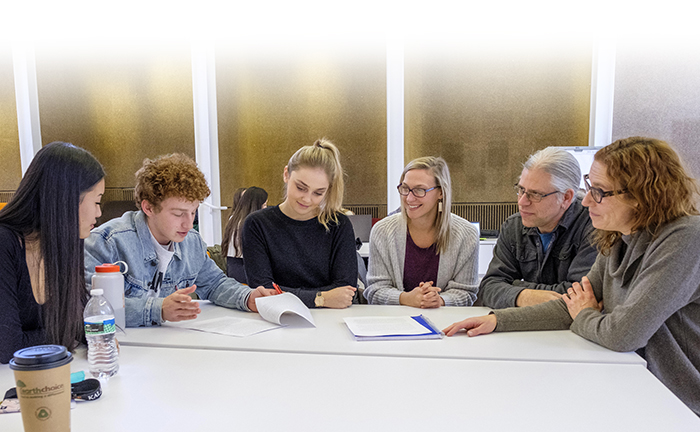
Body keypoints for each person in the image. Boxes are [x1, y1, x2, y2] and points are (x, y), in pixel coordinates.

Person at [444, 137, 700, 416]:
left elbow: (623, 334)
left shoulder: (685, 238)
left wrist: (584, 314)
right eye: (590, 187)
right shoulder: (618, 236)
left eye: (599, 191)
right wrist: (497, 321)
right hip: (629, 385)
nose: (586, 199)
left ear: (640, 196)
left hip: (676, 402)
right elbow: (572, 303)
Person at [84, 153, 275, 327]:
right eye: (178, 214)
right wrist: (158, 309)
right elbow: (88, 308)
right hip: (121, 352)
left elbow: (215, 284)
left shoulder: (191, 242)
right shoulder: (106, 243)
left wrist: (248, 297)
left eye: (193, 213)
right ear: (148, 207)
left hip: (171, 347)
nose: (188, 225)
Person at [0, 142, 105, 363]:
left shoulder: (62, 245)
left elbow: (79, 322)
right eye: (96, 201)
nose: (99, 212)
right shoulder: (5, 244)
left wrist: (86, 334)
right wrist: (68, 333)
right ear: (66, 200)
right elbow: (8, 347)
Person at [242, 139, 358, 308]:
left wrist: (285, 293)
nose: (307, 199)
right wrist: (322, 298)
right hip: (276, 320)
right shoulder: (257, 224)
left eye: (318, 193)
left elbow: (345, 293)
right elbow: (264, 292)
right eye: (301, 187)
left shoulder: (338, 224)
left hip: (330, 321)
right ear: (286, 174)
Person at [478, 147, 597, 309]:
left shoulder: (593, 227)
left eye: (535, 194)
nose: (522, 202)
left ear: (566, 197)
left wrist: (515, 287)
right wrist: (523, 296)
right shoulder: (514, 226)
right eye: (521, 190)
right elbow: (488, 288)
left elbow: (582, 296)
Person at [364, 156, 479, 307]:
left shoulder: (466, 234)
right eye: (405, 188)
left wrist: (439, 300)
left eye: (420, 190)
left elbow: (467, 293)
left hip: (447, 323)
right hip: (394, 323)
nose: (409, 198)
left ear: (441, 193)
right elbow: (374, 291)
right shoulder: (382, 231)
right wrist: (406, 298)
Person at [222, 186, 268, 284]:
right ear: (256, 205)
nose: (266, 208)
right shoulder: (251, 223)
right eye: (264, 205)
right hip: (246, 270)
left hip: (232, 267)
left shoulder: (233, 218)